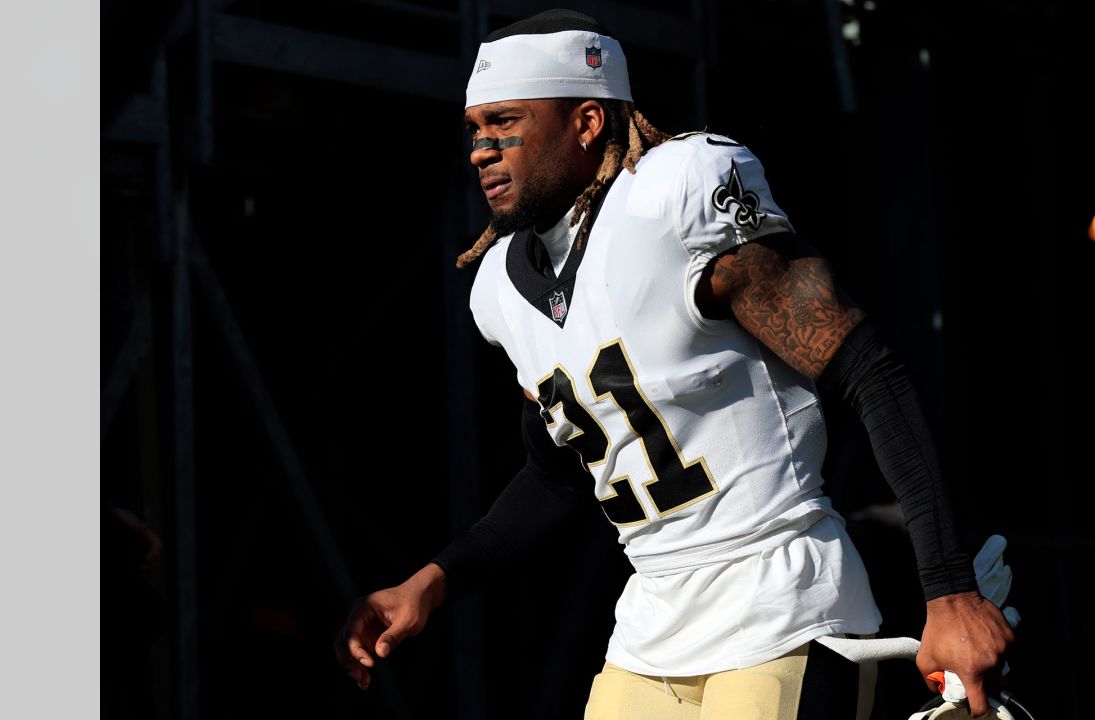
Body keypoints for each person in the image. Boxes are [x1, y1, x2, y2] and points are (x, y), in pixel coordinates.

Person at [334, 9, 1013, 719]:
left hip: (781, 599)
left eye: (504, 120)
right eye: (474, 127)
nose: (480, 148)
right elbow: (561, 470)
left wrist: (950, 590)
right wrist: (434, 582)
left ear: (587, 120)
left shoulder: (675, 193)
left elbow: (869, 370)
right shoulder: (500, 288)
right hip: (652, 624)